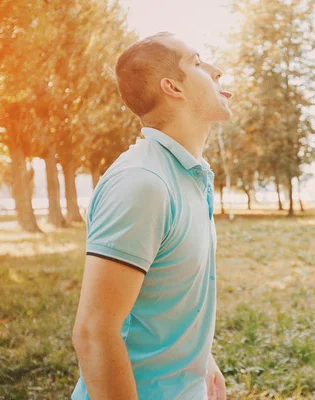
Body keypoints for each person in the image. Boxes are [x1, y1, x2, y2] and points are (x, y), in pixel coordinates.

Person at [71, 32, 233, 400]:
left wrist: (201, 361)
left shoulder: (188, 175)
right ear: (172, 87)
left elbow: (165, 296)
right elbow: (94, 331)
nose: (217, 70)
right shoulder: (142, 182)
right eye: (197, 61)